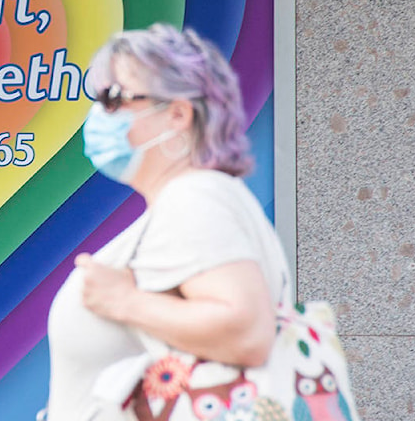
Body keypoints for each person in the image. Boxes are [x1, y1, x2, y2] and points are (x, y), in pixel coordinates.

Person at [43, 24, 290, 421]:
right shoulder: (200, 197)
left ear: (177, 114)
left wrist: (124, 301)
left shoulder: (194, 198)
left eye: (113, 98)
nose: (97, 114)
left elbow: (246, 333)